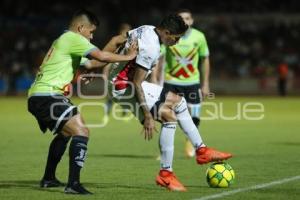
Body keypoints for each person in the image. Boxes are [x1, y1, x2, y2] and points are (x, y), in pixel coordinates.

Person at [108, 13, 232, 192]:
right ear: (166, 32)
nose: (177, 42)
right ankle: (166, 174)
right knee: (168, 117)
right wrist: (148, 115)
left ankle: (202, 150)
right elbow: (136, 82)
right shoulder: (151, 47)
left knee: (179, 102)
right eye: (176, 38)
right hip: (123, 87)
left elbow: (115, 40)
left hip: (126, 82)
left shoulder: (147, 29)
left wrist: (95, 62)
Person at [27, 9, 137, 195]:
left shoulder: (64, 40)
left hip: (41, 96)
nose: (92, 37)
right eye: (91, 32)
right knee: (82, 131)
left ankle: (48, 179)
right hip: (48, 96)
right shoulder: (73, 38)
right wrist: (128, 56)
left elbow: (93, 64)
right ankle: (73, 184)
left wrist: (111, 44)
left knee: (65, 134)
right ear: (81, 28)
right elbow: (101, 57)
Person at [152, 9, 211, 158]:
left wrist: (205, 84)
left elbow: (205, 59)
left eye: (188, 18)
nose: (185, 21)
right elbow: (159, 58)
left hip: (192, 82)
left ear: (192, 21)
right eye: (182, 18)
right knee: (164, 115)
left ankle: (190, 143)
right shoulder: (170, 36)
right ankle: (163, 150)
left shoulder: (199, 37)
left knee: (195, 117)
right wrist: (154, 78)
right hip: (171, 81)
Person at [102, 23, 132, 119]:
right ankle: (106, 113)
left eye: (128, 31)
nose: (126, 34)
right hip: (115, 73)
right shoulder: (116, 42)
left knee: (127, 94)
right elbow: (108, 59)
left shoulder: (131, 42)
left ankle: (125, 113)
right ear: (120, 31)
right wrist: (105, 73)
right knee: (110, 95)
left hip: (125, 73)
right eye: (125, 31)